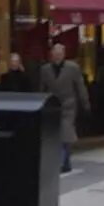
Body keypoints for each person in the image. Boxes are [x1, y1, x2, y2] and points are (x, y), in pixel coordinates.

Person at [39, 42, 91, 173]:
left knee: (65, 134)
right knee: (53, 135)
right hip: (52, 105)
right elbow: (42, 88)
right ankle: (60, 160)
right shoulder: (45, 70)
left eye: (59, 53)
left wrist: (85, 103)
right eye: (55, 53)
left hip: (68, 105)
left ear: (64, 54)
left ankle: (65, 161)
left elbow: (80, 86)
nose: (57, 56)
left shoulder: (72, 68)